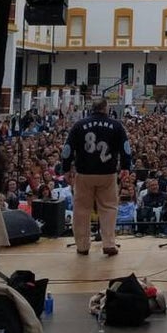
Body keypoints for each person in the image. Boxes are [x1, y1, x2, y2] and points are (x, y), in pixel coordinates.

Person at [62, 97, 131, 257]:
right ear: (106, 108)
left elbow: (67, 149)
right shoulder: (116, 125)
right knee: (108, 208)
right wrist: (126, 167)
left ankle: (82, 245)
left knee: (81, 210)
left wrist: (66, 168)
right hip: (107, 173)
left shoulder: (79, 125)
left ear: (92, 108)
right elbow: (126, 148)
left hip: (84, 173)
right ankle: (108, 243)